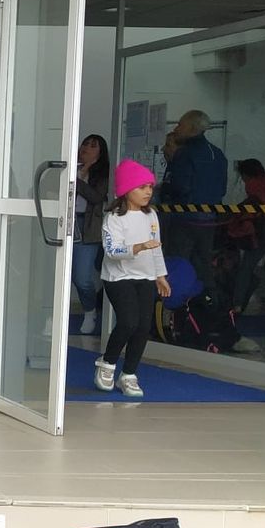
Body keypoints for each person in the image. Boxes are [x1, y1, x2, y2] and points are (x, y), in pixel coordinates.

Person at [96, 160, 170, 399]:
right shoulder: (114, 218)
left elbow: (157, 248)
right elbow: (112, 251)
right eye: (142, 187)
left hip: (146, 277)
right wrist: (138, 247)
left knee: (142, 327)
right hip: (119, 277)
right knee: (128, 321)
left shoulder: (151, 216)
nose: (148, 191)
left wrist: (160, 275)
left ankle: (128, 374)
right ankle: (107, 364)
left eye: (150, 186)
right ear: (127, 190)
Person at [160, 109, 229, 288]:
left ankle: (177, 309)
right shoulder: (218, 154)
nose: (176, 128)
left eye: (180, 124)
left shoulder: (185, 154)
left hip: (185, 218)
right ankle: (208, 307)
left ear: (192, 128)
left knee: (178, 265)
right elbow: (222, 188)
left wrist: (165, 194)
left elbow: (179, 186)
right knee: (204, 266)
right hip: (209, 221)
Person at [74, 135, 111, 335]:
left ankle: (90, 311)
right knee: (68, 274)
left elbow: (96, 197)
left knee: (82, 277)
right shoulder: (70, 166)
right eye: (85, 143)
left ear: (100, 152)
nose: (86, 147)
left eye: (93, 146)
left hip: (88, 228)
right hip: (68, 223)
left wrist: (79, 177)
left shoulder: (102, 174)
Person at [233, 158, 265, 318]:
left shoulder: (253, 185)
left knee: (245, 269)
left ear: (246, 174)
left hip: (262, 234)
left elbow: (251, 209)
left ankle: (237, 306)